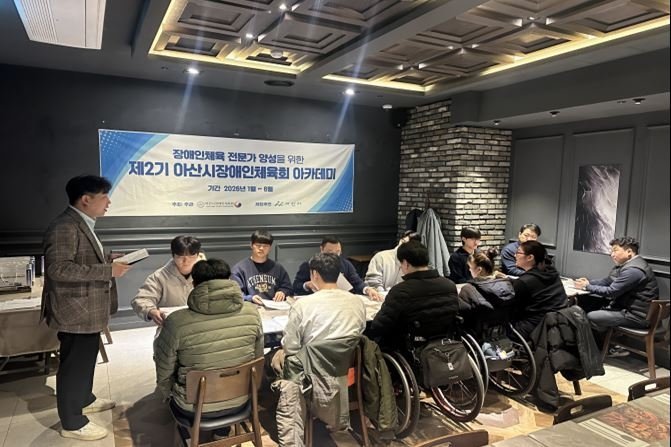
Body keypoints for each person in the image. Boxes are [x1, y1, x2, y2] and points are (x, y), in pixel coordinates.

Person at [41, 175, 131, 441]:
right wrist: (107, 270)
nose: (108, 202)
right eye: (104, 196)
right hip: (75, 312)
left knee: (86, 358)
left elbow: (80, 259)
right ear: (85, 199)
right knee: (73, 365)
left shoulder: (82, 223)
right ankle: (72, 422)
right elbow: (58, 269)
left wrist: (109, 260)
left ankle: (84, 398)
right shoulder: (64, 226)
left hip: (87, 311)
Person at [271, 253, 367, 442]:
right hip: (344, 371)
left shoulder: (303, 305)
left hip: (310, 375)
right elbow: (360, 331)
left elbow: (290, 347)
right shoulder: (357, 302)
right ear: (339, 274)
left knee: (277, 358)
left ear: (314, 274)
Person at [154, 259, 263, 425]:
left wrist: (166, 393)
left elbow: (164, 369)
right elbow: (258, 357)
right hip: (241, 399)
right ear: (229, 279)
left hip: (193, 406)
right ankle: (223, 430)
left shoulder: (176, 321)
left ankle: (197, 432)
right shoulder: (252, 313)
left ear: (194, 284)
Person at [367, 240, 459, 353]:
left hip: (411, 347)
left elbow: (379, 326)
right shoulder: (449, 285)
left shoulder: (401, 291)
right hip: (446, 342)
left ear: (405, 263)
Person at [574, 237, 659, 354]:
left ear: (629, 252)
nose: (612, 254)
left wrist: (587, 287)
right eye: (611, 251)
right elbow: (609, 280)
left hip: (637, 316)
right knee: (589, 304)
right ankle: (606, 345)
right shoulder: (628, 265)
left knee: (591, 316)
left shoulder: (633, 271)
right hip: (630, 310)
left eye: (615, 250)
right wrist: (589, 282)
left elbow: (611, 292)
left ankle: (604, 348)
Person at [131, 235, 203, 325]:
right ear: (173, 255)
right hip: (173, 325)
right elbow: (141, 299)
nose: (186, 261)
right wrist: (151, 311)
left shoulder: (206, 272)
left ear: (197, 255)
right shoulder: (159, 276)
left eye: (191, 256)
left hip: (201, 323)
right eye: (180, 256)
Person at [511, 240, 568, 339]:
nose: (514, 255)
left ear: (530, 257)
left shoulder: (524, 282)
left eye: (518, 252)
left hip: (534, 329)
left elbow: (513, 309)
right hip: (560, 325)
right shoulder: (552, 272)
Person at [231, 230, 293, 305]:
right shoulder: (239, 269)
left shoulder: (278, 268)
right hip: (251, 308)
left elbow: (288, 288)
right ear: (251, 245)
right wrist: (250, 298)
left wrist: (283, 292)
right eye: (258, 245)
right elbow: (235, 294)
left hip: (274, 307)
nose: (261, 248)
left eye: (265, 246)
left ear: (270, 248)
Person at [292, 235, 366, 296]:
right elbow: (295, 286)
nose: (334, 256)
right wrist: (306, 285)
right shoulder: (309, 264)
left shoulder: (346, 264)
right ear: (321, 249)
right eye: (330, 252)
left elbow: (357, 282)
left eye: (338, 252)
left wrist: (367, 289)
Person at [364, 230, 422, 301]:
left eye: (408, 245)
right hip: (378, 298)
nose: (402, 246)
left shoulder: (414, 262)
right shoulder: (381, 257)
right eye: (403, 242)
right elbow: (372, 282)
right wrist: (382, 295)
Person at [458, 248, 515, 317]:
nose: (469, 270)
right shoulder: (507, 283)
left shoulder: (468, 289)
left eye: (470, 267)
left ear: (479, 269)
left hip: (480, 323)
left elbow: (464, 313)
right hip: (506, 323)